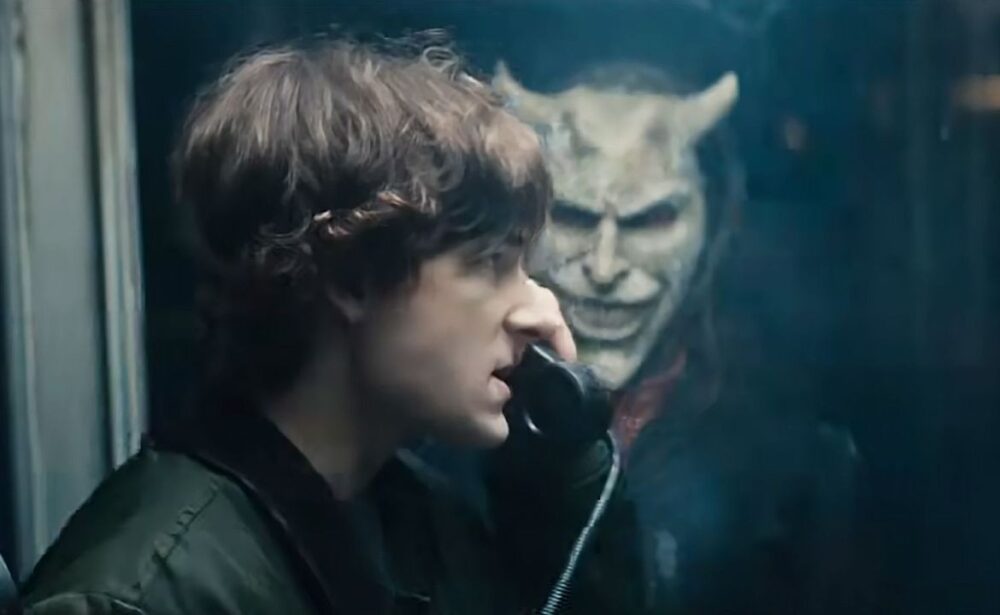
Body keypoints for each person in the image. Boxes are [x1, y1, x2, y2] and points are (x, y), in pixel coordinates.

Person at [19, 38, 645, 615]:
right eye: (489, 262)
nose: (540, 312)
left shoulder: (423, 527)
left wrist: (558, 465)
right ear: (353, 278)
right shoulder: (139, 598)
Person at [495, 62, 861, 614]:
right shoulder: (462, 426)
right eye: (572, 216)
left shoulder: (792, 463)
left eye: (649, 221)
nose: (603, 267)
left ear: (715, 228)